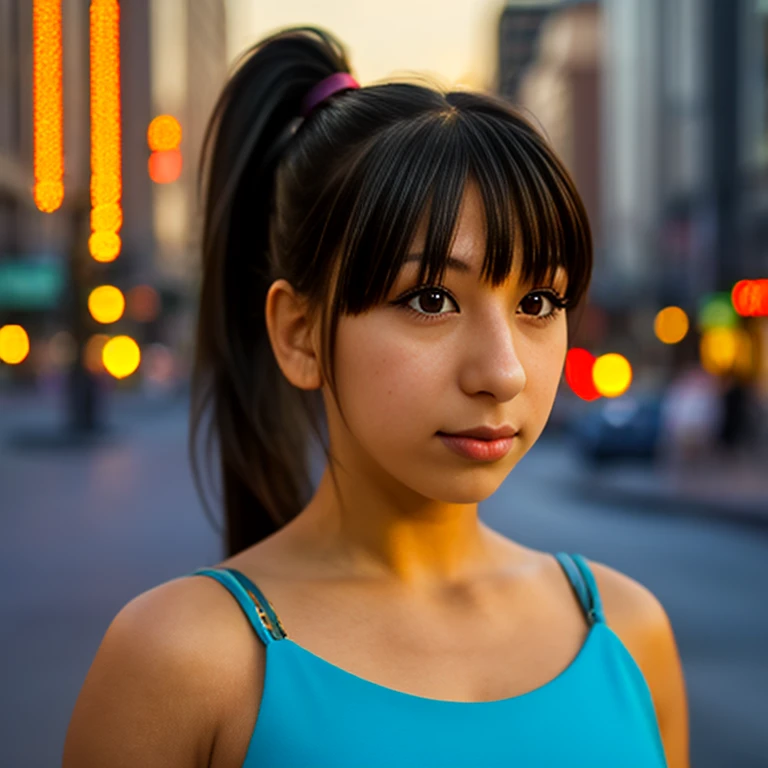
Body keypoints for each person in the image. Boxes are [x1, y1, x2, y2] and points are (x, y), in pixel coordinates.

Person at [63, 26, 689, 768]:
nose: (504, 372)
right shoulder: (184, 662)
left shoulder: (626, 632)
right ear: (298, 333)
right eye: (430, 300)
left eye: (539, 302)